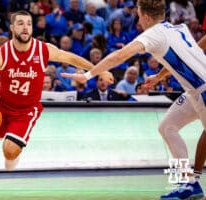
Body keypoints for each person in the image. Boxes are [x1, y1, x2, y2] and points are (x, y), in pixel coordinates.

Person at [61, 0, 206, 199]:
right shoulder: (178, 27)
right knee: (167, 127)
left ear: (146, 16)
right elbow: (186, 57)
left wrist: (87, 75)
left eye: (138, 14)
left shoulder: (152, 34)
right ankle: (189, 182)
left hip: (202, 91)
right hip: (194, 91)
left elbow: (119, 56)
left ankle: (189, 183)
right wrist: (160, 76)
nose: (137, 18)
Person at [0, 10, 113, 195]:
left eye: (29, 24)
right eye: (20, 23)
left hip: (26, 110)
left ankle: (12, 155)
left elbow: (72, 58)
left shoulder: (43, 49)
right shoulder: (1, 53)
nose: (25, 27)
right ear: (12, 28)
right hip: (0, 106)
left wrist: (99, 70)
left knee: (9, 151)